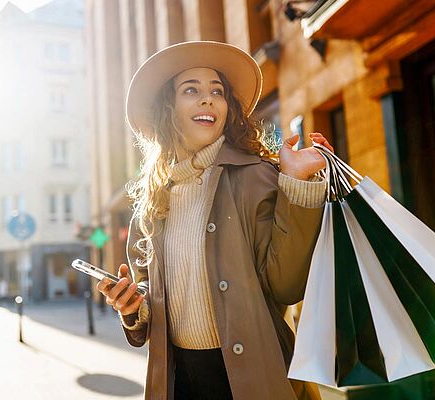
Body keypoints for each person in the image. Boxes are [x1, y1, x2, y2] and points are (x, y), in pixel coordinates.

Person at [97, 41, 333, 400]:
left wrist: (298, 186)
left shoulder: (256, 176)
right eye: (191, 89)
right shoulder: (150, 202)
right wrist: (133, 307)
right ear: (168, 108)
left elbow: (287, 287)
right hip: (180, 383)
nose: (208, 99)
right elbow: (148, 294)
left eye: (217, 91)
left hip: (259, 378)